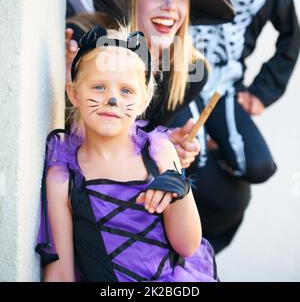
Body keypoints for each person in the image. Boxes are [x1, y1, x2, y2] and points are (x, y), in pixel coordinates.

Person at [81, 0, 251, 253]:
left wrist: (171, 144)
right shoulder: (97, 48)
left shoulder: (190, 71)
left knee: (228, 198)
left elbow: (145, 136)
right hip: (93, 192)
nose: (169, 7)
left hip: (145, 188)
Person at [36, 25, 218, 282]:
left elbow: (187, 246)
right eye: (99, 87)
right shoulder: (63, 176)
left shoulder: (159, 153)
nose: (112, 100)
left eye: (126, 90)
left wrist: (180, 192)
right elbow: (60, 272)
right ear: (74, 93)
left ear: (143, 101)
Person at [180, 0, 300, 183]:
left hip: (225, 86)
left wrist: (262, 92)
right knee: (192, 163)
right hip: (182, 79)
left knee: (259, 167)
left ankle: (216, 146)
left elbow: (291, 37)